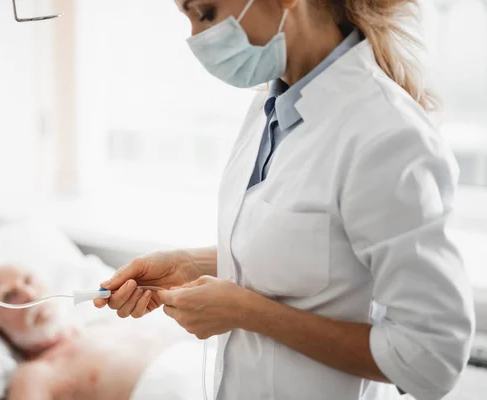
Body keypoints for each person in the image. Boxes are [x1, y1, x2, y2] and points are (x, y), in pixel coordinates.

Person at [94, 0, 476, 399]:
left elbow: (431, 358)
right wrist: (191, 264)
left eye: (205, 13)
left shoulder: (388, 136)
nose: (195, 37)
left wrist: (244, 312)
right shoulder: (272, 106)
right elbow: (315, 251)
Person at [0, 265, 188, 400]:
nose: (29, 294)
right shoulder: (34, 375)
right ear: (0, 328)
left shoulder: (109, 324)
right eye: (10, 295)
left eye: (28, 280)